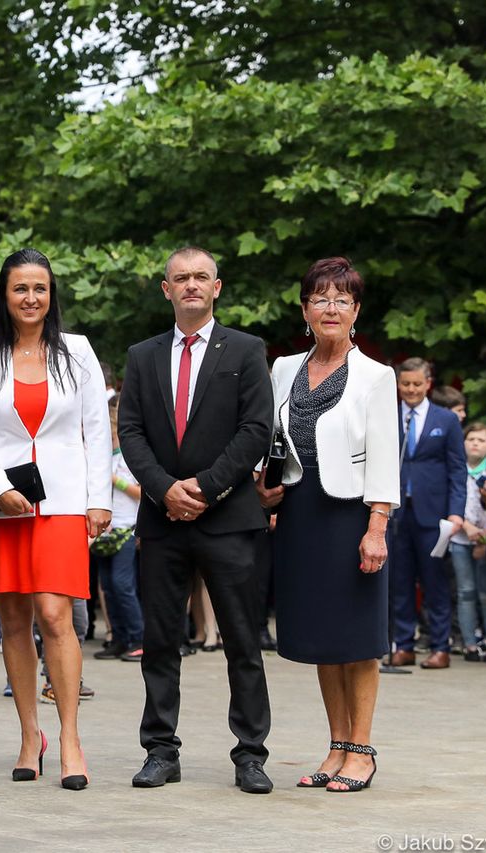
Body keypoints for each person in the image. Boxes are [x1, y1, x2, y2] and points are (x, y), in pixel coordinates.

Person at [117, 246, 274, 794]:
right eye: (180, 278)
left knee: (242, 643)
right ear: (166, 289)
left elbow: (256, 429)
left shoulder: (248, 350)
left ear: (217, 287)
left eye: (200, 277)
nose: (190, 285)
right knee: (160, 641)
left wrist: (206, 488)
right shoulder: (142, 355)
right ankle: (161, 751)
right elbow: (130, 431)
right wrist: (164, 489)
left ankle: (251, 754)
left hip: (228, 516)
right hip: (163, 520)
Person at [0, 248, 111, 790]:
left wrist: (101, 499)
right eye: (20, 288)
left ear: (52, 296)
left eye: (40, 289)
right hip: (5, 506)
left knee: (55, 614)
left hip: (65, 500)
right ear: (5, 295)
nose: (30, 298)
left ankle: (70, 737)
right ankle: (31, 736)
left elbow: (97, 428)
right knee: (12, 620)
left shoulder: (77, 351)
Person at [257, 257, 398, 793]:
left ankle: (362, 750)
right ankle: (336, 746)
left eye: (342, 299)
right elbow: (274, 441)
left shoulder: (376, 376)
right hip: (299, 512)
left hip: (353, 515)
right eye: (321, 298)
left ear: (356, 311)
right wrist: (264, 489)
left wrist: (377, 526)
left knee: (356, 639)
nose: (331, 308)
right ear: (305, 310)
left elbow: (386, 455)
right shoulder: (284, 369)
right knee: (321, 637)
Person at [387, 357, 466, 669]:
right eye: (405, 384)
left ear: (428, 384)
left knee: (434, 583)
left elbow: (458, 469)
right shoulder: (388, 416)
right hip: (395, 513)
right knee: (399, 580)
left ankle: (439, 645)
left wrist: (457, 512)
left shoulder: (445, 420)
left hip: (434, 514)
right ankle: (403, 644)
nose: (411, 389)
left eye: (417, 384)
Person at [91, 392, 143, 662]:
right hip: (105, 532)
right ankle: (119, 639)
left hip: (126, 528)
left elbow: (142, 493)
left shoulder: (129, 458)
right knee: (108, 586)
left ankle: (138, 638)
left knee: (123, 585)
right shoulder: (107, 456)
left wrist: (114, 480)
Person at [450, 422, 486, 662]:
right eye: (471, 439)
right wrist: (467, 528)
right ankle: (470, 644)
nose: (475, 443)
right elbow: (448, 501)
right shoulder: (456, 468)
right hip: (460, 537)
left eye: (481, 440)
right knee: (465, 591)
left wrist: (482, 536)